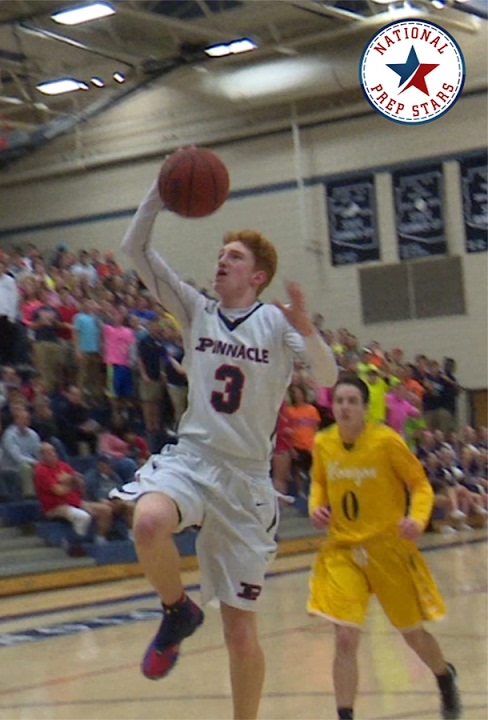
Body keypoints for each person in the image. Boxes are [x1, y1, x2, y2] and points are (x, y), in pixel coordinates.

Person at [112, 180, 337, 719]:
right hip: (192, 460)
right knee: (147, 523)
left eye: (233, 257)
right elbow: (134, 251)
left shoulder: (277, 324)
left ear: (257, 275)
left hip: (246, 482)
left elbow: (327, 376)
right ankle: (177, 611)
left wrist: (307, 330)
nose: (221, 262)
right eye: (219, 255)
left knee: (240, 631)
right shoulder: (196, 310)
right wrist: (159, 193)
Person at [307, 375, 461, 720]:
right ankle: (345, 714)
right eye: (340, 401)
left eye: (352, 401)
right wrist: (315, 506)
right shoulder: (323, 443)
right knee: (345, 637)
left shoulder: (386, 441)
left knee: (412, 635)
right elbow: (318, 481)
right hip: (344, 550)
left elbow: (420, 484)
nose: (344, 407)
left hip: (387, 548)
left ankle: (444, 676)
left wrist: (417, 519)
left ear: (365, 408)